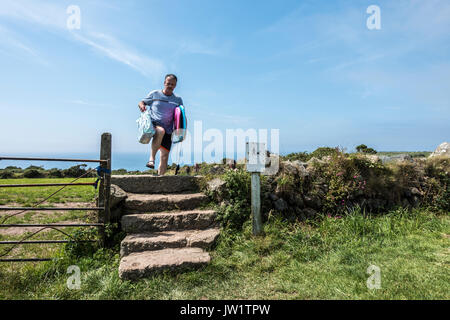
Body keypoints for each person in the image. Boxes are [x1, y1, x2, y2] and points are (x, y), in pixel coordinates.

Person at [138, 74, 183, 175]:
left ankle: (160, 178)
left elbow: (180, 115)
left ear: (175, 85)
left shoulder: (178, 99)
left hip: (169, 129)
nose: (170, 86)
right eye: (168, 83)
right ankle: (151, 159)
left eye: (172, 84)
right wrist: (142, 106)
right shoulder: (155, 94)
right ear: (164, 83)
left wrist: (180, 130)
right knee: (160, 131)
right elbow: (142, 102)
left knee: (165, 156)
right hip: (154, 125)